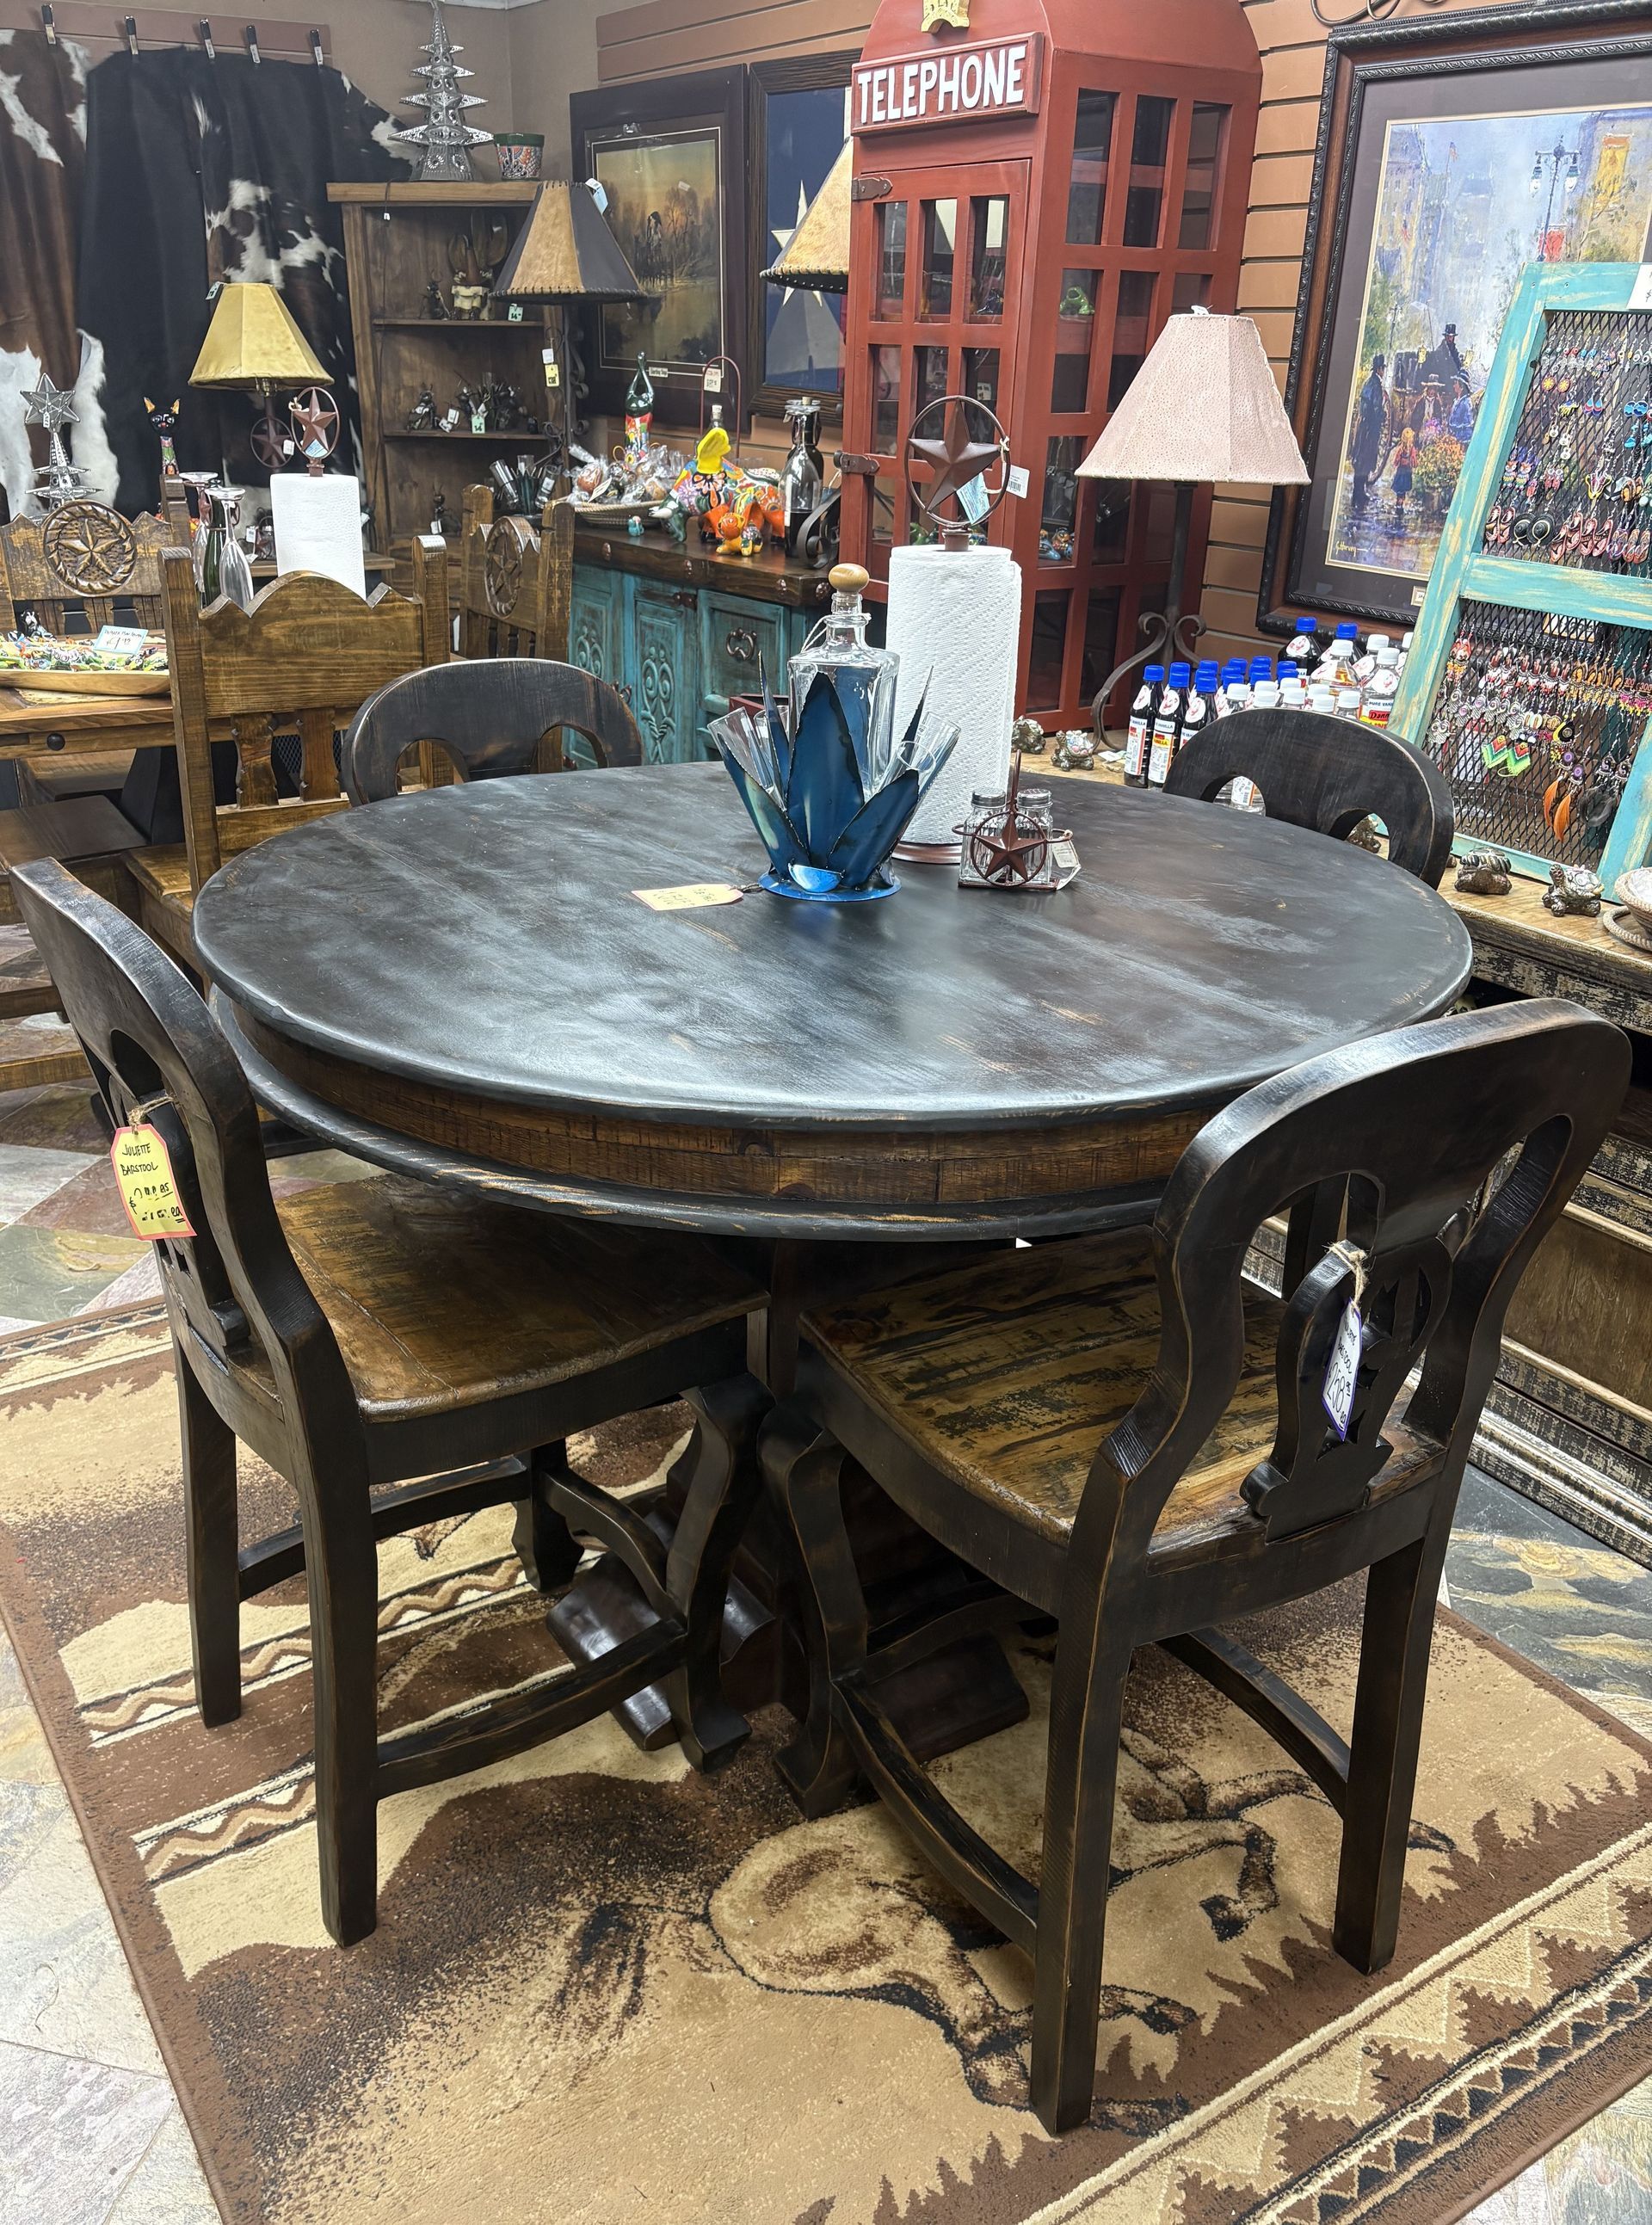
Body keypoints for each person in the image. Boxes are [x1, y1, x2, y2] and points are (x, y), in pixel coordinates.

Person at [1349, 353, 1387, 516]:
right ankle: (1358, 494)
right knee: (1364, 460)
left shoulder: (1369, 383)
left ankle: (1360, 492)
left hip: (1365, 427)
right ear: (1379, 369)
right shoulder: (1375, 385)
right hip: (1370, 429)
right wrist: (1383, 416)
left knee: (1362, 459)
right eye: (1382, 369)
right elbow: (1376, 408)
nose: (1383, 371)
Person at [1391, 425, 1416, 521]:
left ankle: (1398, 505)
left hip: (1400, 471)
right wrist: (1413, 464)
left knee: (1399, 491)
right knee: (1404, 491)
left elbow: (1396, 461)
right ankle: (1401, 505)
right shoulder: (1412, 450)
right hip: (1407, 472)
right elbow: (1414, 463)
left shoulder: (1400, 449)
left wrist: (1397, 463)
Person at [1447, 373, 1476, 443]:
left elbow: (1468, 424)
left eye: (1455, 383)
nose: (1454, 386)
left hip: (1463, 439)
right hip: (1455, 439)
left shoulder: (1466, 402)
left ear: (1461, 386)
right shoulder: (1456, 401)